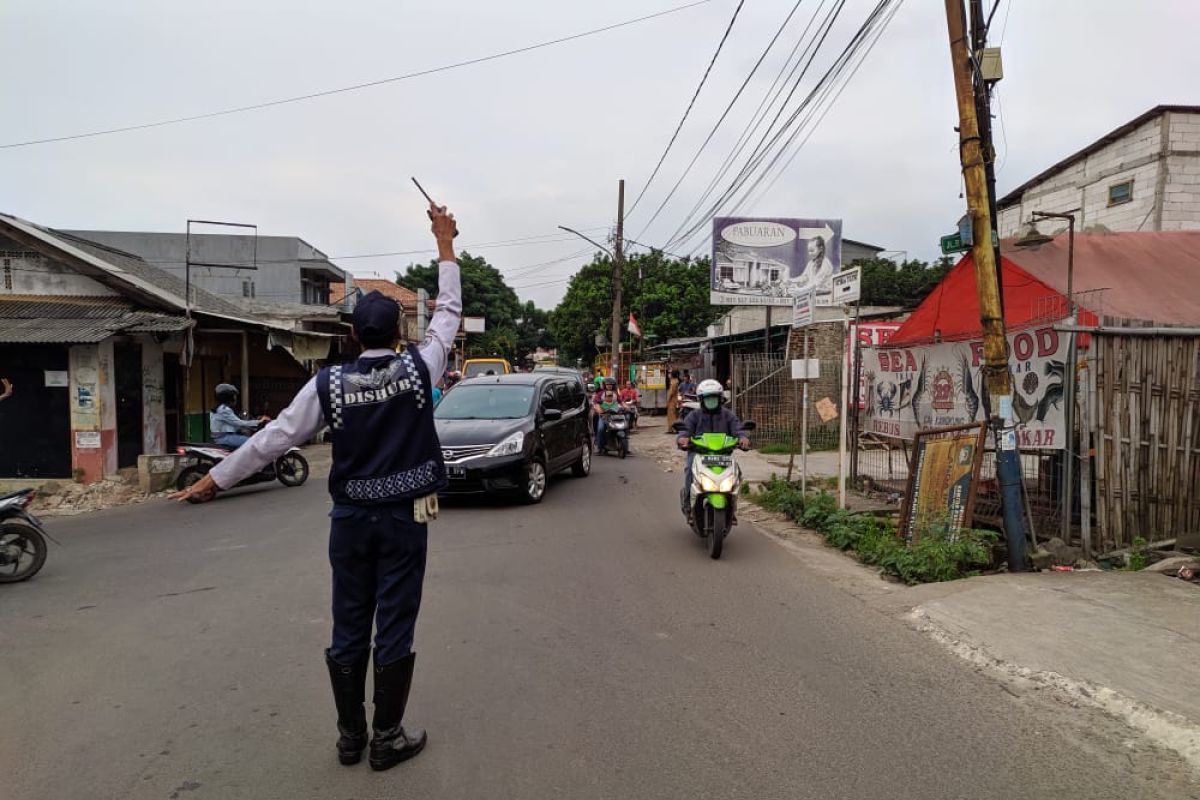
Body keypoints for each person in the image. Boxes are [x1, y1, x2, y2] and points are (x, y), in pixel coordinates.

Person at [171, 202, 461, 772]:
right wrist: (445, 243)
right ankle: (387, 736)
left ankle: (350, 737)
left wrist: (215, 478)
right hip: (404, 521)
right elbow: (448, 312)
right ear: (401, 332)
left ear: (352, 335)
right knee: (395, 623)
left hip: (349, 523)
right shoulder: (420, 367)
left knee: (348, 623)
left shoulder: (326, 384)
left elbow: (274, 439)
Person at [676, 379, 750, 514]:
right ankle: (688, 503)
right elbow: (685, 430)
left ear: (720, 399)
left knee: (737, 473)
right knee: (689, 470)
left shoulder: (727, 415)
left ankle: (732, 504)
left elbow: (737, 429)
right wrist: (683, 438)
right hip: (698, 453)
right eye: (708, 398)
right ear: (702, 400)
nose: (711, 401)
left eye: (714, 397)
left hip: (723, 455)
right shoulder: (694, 415)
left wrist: (742, 438)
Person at [208, 384, 270, 449]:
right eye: (233, 396)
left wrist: (254, 423)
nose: (235, 398)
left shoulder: (220, 408)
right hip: (224, 438)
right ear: (228, 397)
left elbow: (235, 423)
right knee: (253, 442)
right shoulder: (224, 410)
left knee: (247, 438)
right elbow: (239, 423)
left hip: (224, 437)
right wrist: (259, 422)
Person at [592, 377, 623, 450]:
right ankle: (599, 447)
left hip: (615, 416)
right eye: (607, 384)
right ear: (604, 385)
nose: (609, 386)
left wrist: (626, 407)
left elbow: (621, 402)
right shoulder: (600, 393)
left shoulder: (616, 393)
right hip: (604, 416)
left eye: (611, 384)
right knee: (600, 429)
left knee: (623, 427)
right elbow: (596, 403)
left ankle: (625, 446)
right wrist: (599, 409)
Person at [664, 369, 681, 434]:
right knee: (671, 415)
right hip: (674, 400)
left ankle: (674, 429)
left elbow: (671, 393)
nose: (669, 375)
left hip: (672, 401)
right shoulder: (675, 381)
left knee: (672, 416)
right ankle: (670, 429)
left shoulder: (674, 382)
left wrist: (667, 401)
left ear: (672, 375)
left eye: (670, 374)